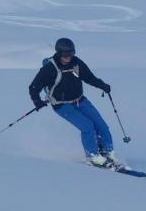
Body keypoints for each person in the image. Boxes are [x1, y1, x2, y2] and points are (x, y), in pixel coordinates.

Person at [28, 38, 117, 168]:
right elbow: (34, 87)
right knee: (87, 127)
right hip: (62, 105)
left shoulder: (76, 63)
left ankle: (108, 154)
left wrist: (102, 85)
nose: (68, 57)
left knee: (101, 126)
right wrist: (37, 101)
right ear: (58, 53)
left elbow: (89, 77)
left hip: (80, 100)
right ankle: (93, 157)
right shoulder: (50, 69)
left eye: (71, 54)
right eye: (65, 55)